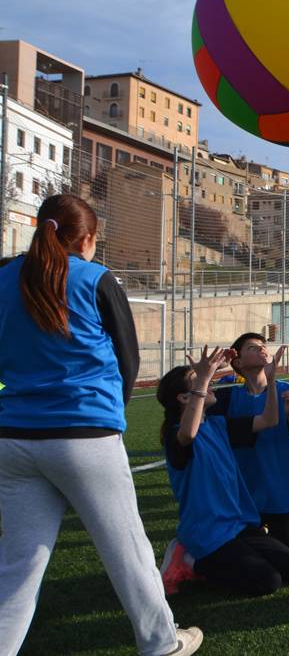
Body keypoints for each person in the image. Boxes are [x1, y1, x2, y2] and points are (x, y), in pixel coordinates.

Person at [0, 195, 203, 656]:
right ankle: (162, 644)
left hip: (12, 440)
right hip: (85, 436)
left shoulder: (5, 278)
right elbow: (128, 358)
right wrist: (110, 412)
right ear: (87, 239)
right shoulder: (95, 278)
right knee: (127, 550)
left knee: (17, 566)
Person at [157, 347, 289, 596]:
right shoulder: (176, 435)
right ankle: (189, 560)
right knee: (269, 581)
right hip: (208, 533)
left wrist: (271, 381)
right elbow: (189, 433)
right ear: (185, 398)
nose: (210, 384)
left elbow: (268, 420)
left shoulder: (219, 424)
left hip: (238, 526)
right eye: (200, 383)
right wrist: (203, 378)